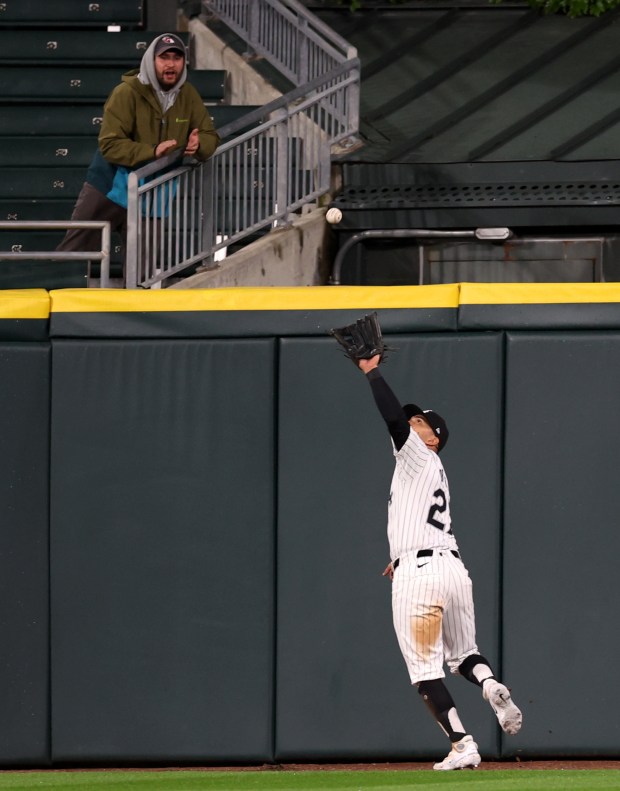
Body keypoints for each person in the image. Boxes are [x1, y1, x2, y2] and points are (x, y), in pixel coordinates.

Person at [356, 353, 522, 771]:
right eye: (413, 422)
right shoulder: (432, 469)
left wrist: (371, 371)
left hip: (422, 574)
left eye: (420, 424)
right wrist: (401, 556)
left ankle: (462, 743)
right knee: (465, 654)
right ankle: (489, 683)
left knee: (424, 670)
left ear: (432, 439)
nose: (411, 426)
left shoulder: (416, 455)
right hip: (451, 566)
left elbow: (392, 418)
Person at [57, 32, 220, 268]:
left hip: (154, 194)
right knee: (72, 257)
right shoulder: (126, 93)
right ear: (151, 61)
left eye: (177, 57)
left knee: (142, 274)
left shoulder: (189, 96)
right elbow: (110, 145)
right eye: (164, 58)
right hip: (110, 186)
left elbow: (209, 135)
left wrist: (199, 145)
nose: (171, 64)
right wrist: (152, 152)